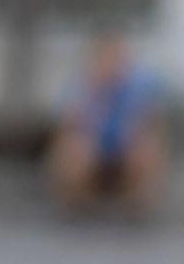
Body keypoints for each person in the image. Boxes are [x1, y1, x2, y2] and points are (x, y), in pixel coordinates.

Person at [48, 32, 168, 216]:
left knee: (148, 146)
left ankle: (137, 203)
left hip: (127, 147)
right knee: (72, 147)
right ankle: (77, 201)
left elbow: (151, 120)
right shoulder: (80, 85)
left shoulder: (140, 86)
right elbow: (65, 123)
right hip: (91, 148)